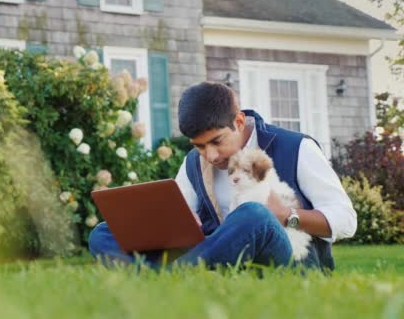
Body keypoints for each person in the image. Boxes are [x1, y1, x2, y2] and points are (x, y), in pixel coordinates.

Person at [88, 82, 357, 270]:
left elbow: (347, 220)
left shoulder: (296, 147)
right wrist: (181, 221)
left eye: (217, 141)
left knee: (254, 214)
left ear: (238, 122)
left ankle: (167, 276)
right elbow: (180, 214)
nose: (211, 155)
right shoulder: (195, 162)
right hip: (225, 265)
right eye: (200, 146)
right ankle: (183, 273)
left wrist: (289, 215)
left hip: (291, 263)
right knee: (103, 233)